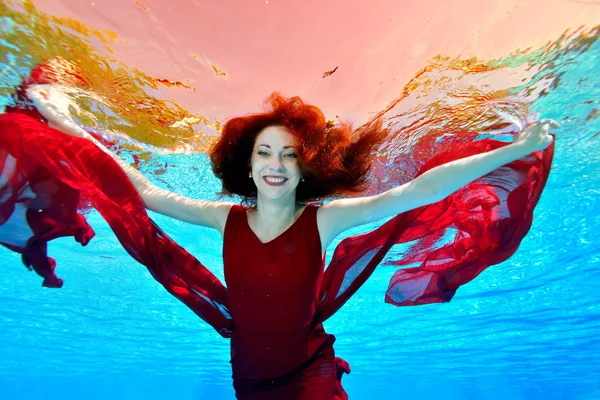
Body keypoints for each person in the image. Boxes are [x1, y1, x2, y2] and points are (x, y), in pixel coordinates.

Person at [0, 65, 558, 399]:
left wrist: (517, 150)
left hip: (306, 374)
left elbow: (418, 192)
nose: (275, 164)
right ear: (246, 164)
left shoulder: (327, 220)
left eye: (289, 155)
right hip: (249, 383)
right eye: (264, 152)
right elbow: (138, 188)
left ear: (306, 165)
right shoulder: (225, 218)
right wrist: (64, 122)